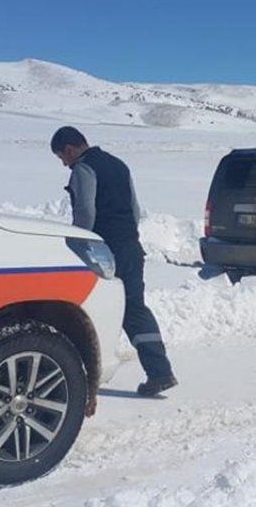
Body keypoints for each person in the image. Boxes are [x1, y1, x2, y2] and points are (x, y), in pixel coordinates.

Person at [50, 126, 177, 396]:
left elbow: (86, 211)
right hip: (130, 246)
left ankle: (81, 374)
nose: (64, 163)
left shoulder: (84, 169)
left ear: (70, 149)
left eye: (62, 157)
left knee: (89, 307)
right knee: (134, 308)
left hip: (103, 251)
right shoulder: (119, 165)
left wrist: (79, 243)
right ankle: (160, 372)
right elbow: (134, 209)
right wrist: (128, 239)